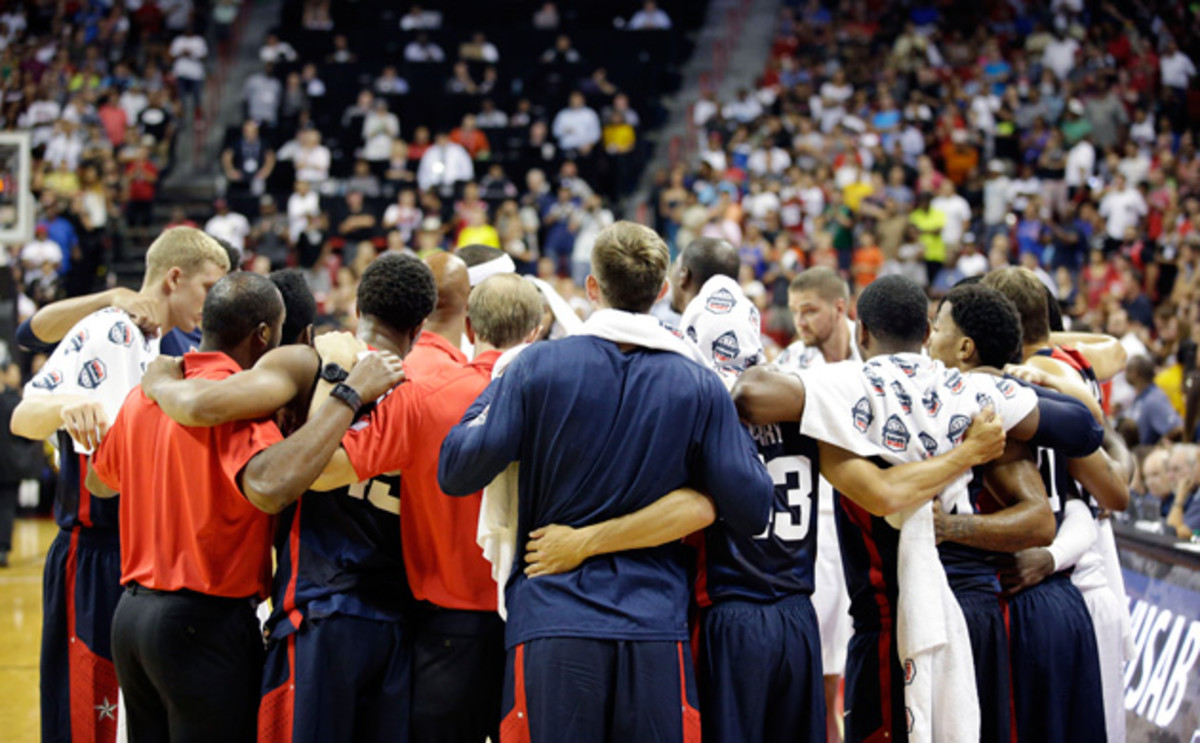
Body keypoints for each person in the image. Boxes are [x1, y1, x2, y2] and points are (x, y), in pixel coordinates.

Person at [438, 221, 775, 742]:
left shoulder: (533, 368)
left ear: (592, 287)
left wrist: (495, 393)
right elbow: (754, 508)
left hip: (553, 617)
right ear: (662, 292)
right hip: (655, 625)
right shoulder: (699, 383)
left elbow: (457, 470)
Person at [732, 275, 1103, 742]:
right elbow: (1086, 429)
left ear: (861, 331)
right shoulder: (972, 394)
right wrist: (1010, 384)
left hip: (895, 617)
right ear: (927, 335)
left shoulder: (843, 385)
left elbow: (749, 395)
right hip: (978, 613)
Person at [91, 272, 405, 741]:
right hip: (203, 623)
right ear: (265, 335)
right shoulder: (237, 405)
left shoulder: (149, 394)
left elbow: (100, 481)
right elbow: (270, 485)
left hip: (131, 620)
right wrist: (346, 396)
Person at [10, 227, 230, 743]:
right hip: (95, 550)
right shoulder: (112, 327)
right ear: (174, 278)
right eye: (208, 288)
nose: (212, 304)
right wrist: (67, 405)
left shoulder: (179, 348)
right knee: (88, 717)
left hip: (149, 559)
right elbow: (23, 414)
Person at [311, 274, 546, 742]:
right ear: (536, 332)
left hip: (448, 629)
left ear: (471, 330)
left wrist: (332, 380)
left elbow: (322, 471)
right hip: (540, 625)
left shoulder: (425, 396)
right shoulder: (563, 398)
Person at [772, 266, 858, 740]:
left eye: (811, 311)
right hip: (820, 520)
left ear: (841, 308)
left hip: (873, 514)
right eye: (796, 310)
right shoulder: (790, 364)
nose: (800, 320)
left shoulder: (874, 356)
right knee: (824, 661)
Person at [0, 362, 41, 568]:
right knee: (6, 508)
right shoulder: (14, 401)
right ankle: (2, 550)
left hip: (8, 464)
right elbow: (26, 433)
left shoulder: (14, 400)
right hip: (9, 464)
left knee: (7, 507)